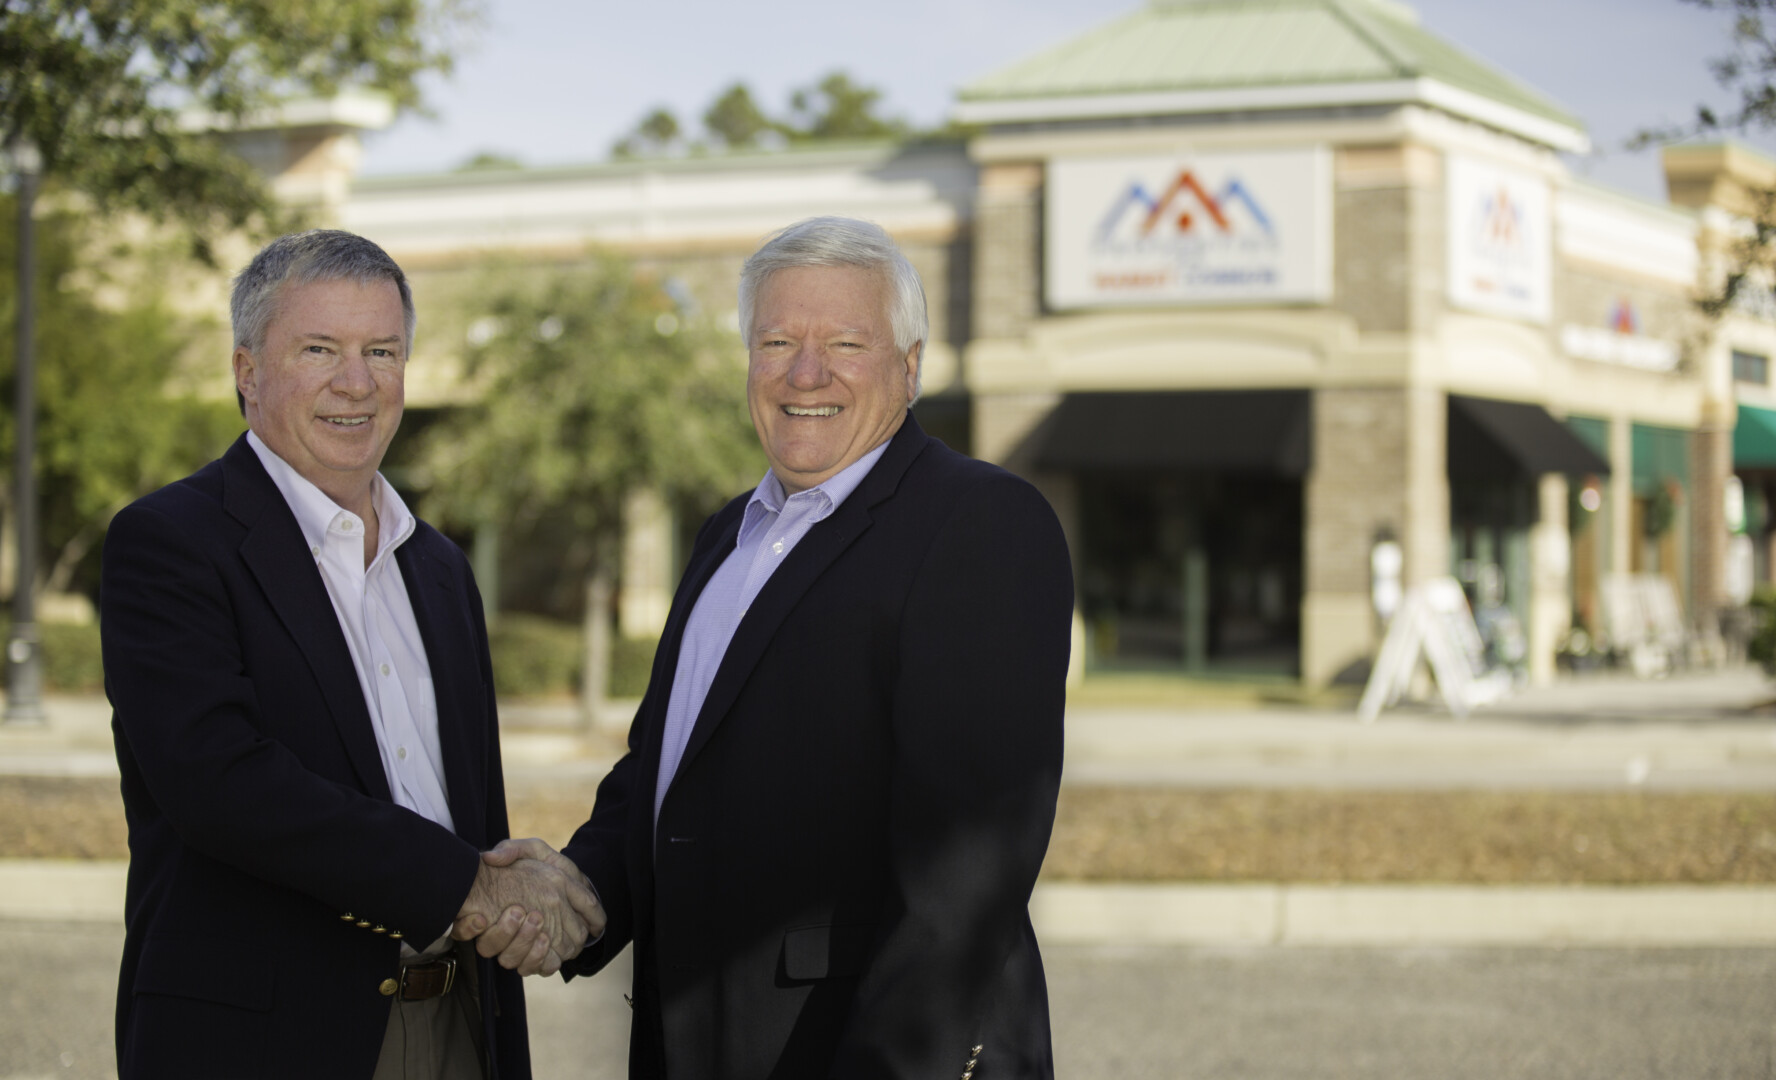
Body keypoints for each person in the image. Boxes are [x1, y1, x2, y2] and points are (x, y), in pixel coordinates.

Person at [481, 216, 1074, 1078]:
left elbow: (965, 874)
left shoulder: (979, 524)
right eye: (777, 341)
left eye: (844, 342)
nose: (806, 373)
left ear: (909, 367)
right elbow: (666, 771)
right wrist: (581, 895)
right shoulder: (730, 532)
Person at [100, 229, 603, 1080]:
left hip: (459, 1025)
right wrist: (472, 888)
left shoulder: (441, 568)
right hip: (266, 1042)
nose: (357, 382)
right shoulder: (171, 544)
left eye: (382, 350)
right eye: (319, 350)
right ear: (247, 370)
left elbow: (469, 812)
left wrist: (521, 889)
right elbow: (220, 786)